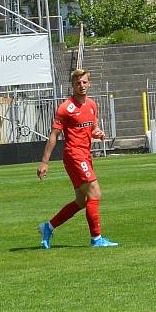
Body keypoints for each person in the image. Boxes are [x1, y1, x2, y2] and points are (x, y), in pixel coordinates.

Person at [37, 69, 118, 249]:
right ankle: (96, 239)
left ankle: (48, 227)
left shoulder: (91, 105)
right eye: (77, 83)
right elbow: (54, 135)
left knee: (81, 201)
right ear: (72, 85)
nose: (81, 85)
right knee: (95, 192)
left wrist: (98, 134)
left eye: (84, 82)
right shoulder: (65, 108)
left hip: (85, 155)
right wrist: (44, 161)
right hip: (74, 155)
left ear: (89, 83)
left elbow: (92, 129)